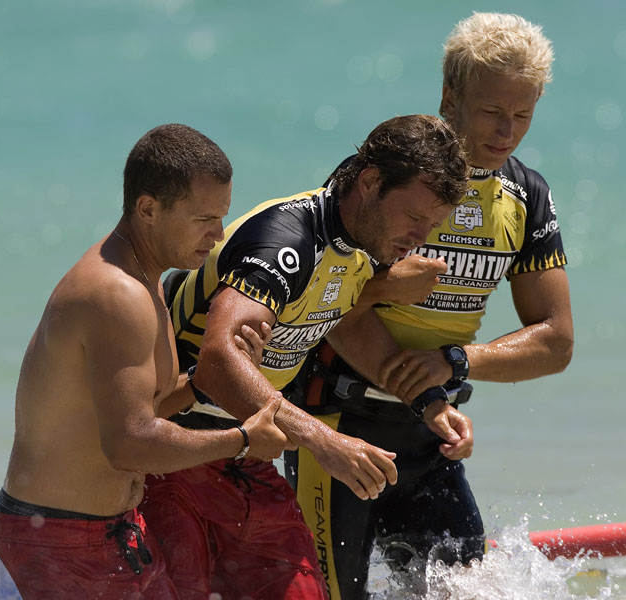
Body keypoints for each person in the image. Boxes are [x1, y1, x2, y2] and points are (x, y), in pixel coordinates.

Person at [286, 12, 575, 599]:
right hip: (339, 429)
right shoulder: (383, 176)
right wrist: (387, 292)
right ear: (450, 97)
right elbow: (324, 307)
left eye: (523, 115)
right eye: (492, 111)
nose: (507, 132)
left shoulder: (527, 196)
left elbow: (555, 340)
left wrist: (456, 362)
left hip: (432, 440)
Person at [138, 114, 471, 600]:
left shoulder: (362, 246)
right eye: (414, 217)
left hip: (246, 453)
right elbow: (218, 361)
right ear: (370, 182)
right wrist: (323, 441)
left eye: (433, 225)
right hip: (173, 450)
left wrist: (428, 401)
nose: (421, 236)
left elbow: (346, 322)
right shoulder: (287, 241)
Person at [0, 124, 289, 599]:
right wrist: (242, 441)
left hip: (115, 535)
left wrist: (201, 383)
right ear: (148, 209)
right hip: (53, 547)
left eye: (222, 217)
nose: (218, 235)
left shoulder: (144, 278)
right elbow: (130, 443)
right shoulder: (116, 293)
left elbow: (142, 409)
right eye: (204, 219)